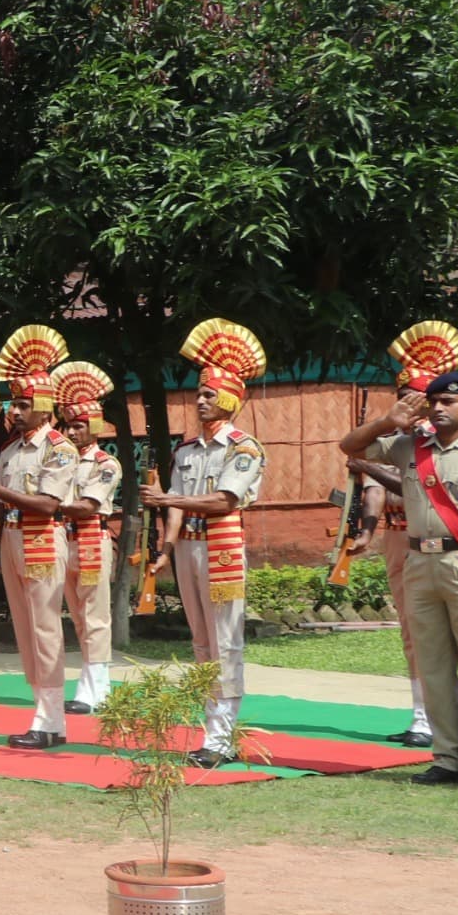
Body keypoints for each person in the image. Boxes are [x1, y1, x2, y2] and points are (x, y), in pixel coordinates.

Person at [342, 322, 458, 791]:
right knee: (433, 664)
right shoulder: (410, 445)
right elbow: (351, 447)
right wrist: (390, 421)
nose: (440, 408)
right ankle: (445, 756)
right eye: (434, 401)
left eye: (450, 401)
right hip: (418, 562)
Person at [143, 319, 268, 767]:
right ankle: (209, 729)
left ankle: (221, 736)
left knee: (225, 642)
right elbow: (176, 507)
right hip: (190, 548)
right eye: (199, 393)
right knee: (200, 641)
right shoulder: (188, 449)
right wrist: (165, 547)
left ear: (231, 398)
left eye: (208, 394)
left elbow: (221, 500)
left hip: (221, 547)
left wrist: (166, 499)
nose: (199, 400)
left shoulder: (244, 447)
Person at [0, 327, 82, 749]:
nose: (16, 411)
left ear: (44, 407)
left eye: (24, 405)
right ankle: (44, 713)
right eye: (13, 403)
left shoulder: (59, 449)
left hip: (42, 537)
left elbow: (45, 503)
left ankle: (50, 717)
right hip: (13, 540)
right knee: (25, 629)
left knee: (44, 628)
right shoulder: (8, 450)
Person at [53, 362, 125, 715]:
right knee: (77, 615)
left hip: (91, 539)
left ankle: (96, 685)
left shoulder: (106, 463)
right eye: (69, 424)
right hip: (64, 540)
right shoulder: (62, 460)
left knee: (95, 614)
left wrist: (49, 503)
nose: (73, 431)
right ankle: (94, 682)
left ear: (94, 426)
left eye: (79, 425)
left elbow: (87, 505)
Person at [350, 464, 438, 747]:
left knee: (454, 633)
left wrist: (365, 465)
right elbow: (376, 490)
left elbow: (414, 488)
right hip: (398, 537)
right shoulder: (391, 446)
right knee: (411, 631)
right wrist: (367, 531)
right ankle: (423, 719)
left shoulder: (439, 441)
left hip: (438, 538)